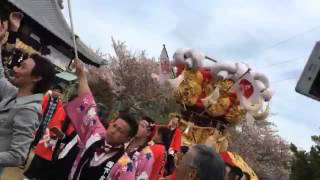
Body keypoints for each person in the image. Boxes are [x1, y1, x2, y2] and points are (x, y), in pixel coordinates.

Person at [52, 59, 139, 180]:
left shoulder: (126, 165)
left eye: (121, 131)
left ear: (128, 138)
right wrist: (81, 75)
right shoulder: (96, 134)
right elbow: (88, 103)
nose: (114, 131)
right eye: (114, 126)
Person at [0, 17, 55, 174]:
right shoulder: (12, 93)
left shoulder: (29, 110)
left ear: (36, 77)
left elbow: (18, 155)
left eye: (22, 67)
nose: (16, 69)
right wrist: (7, 36)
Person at [24, 85, 75, 180]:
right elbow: (54, 124)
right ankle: (26, 168)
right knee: (37, 155)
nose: (57, 92)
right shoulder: (60, 108)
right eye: (55, 90)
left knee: (45, 163)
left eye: (59, 91)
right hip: (46, 132)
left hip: (57, 141)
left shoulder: (62, 106)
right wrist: (53, 136)